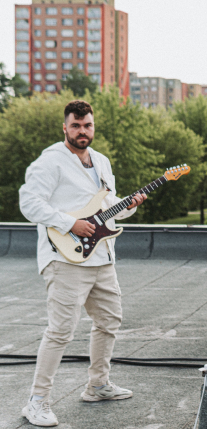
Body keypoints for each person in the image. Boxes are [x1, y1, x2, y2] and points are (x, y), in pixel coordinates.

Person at [18, 100, 147, 427]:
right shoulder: (50, 162)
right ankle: (36, 401)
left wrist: (130, 205)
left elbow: (110, 207)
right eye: (75, 126)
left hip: (101, 257)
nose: (82, 131)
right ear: (65, 127)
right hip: (65, 257)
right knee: (60, 330)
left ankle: (97, 385)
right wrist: (68, 223)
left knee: (110, 321)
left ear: (93, 126)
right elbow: (29, 202)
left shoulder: (101, 162)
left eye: (87, 125)